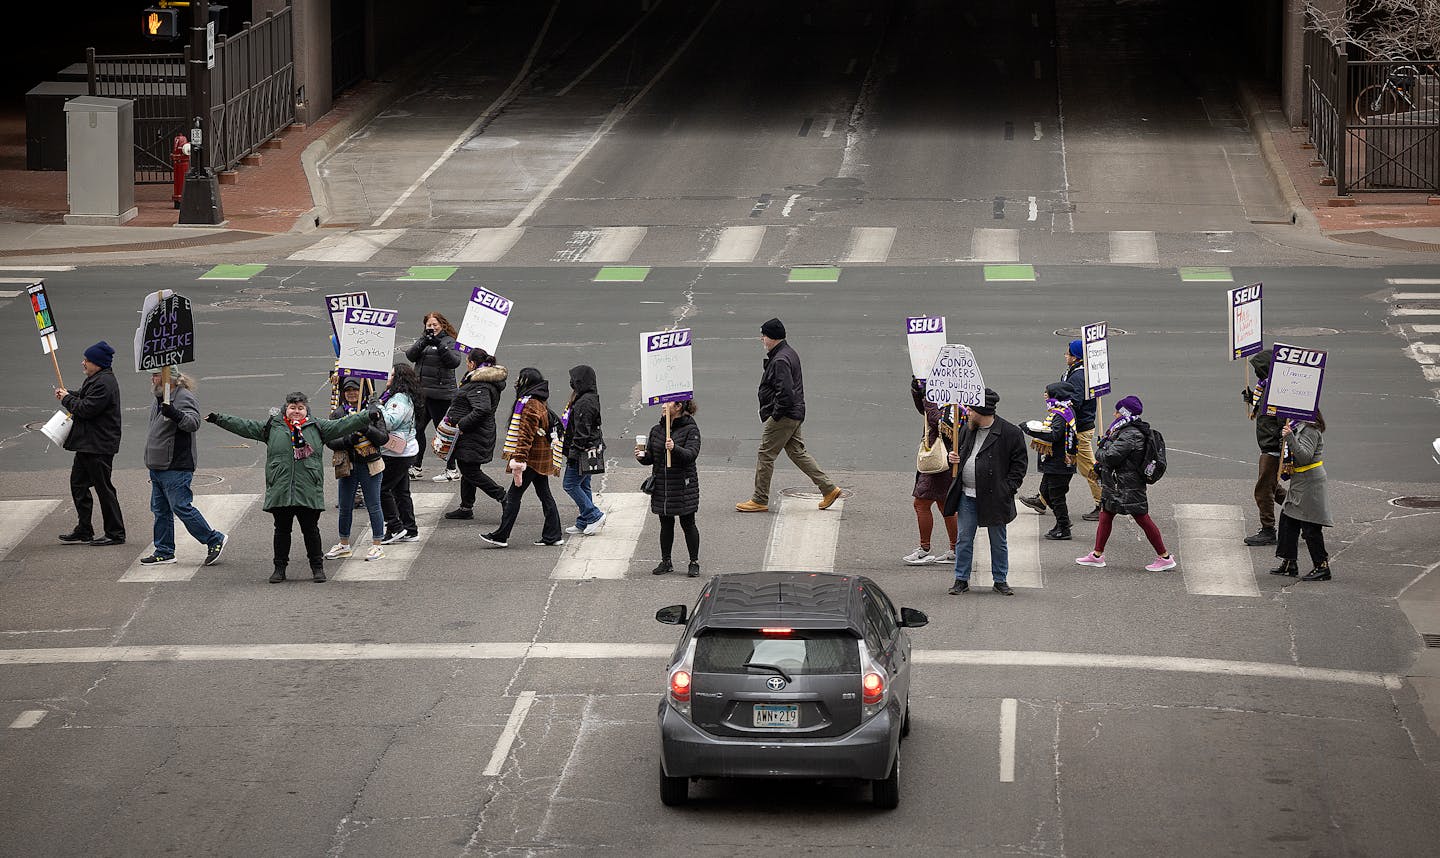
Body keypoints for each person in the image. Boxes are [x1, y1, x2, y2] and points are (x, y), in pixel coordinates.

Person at [208, 391, 376, 582]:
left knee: (311, 531)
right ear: (285, 409)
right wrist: (218, 419)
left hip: (308, 488)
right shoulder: (272, 426)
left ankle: (317, 569)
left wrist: (367, 415)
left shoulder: (318, 426)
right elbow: (244, 426)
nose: (296, 411)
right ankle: (279, 569)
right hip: (281, 488)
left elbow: (344, 424)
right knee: (281, 531)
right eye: (292, 408)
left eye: (300, 408)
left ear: (306, 410)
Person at [736, 318, 843, 513]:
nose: (762, 339)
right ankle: (829, 489)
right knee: (797, 453)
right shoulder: (787, 353)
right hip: (794, 412)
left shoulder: (780, 360)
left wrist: (774, 416)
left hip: (784, 415)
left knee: (765, 454)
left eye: (764, 335)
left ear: (773, 338)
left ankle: (759, 499)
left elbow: (785, 393)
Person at [1075, 395, 1177, 572]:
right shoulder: (1126, 429)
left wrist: (1101, 447)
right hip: (1118, 484)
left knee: (1142, 518)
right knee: (1106, 515)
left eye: (1117, 411)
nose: (1114, 414)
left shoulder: (1130, 433)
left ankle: (1165, 557)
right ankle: (1097, 555)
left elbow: (1110, 456)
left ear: (1124, 413)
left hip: (1127, 485)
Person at [942, 388, 1028, 596]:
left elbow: (1019, 465)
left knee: (998, 540)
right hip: (967, 495)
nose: (968, 413)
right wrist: (951, 460)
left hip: (995, 497)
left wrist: (1007, 489)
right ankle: (961, 579)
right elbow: (960, 454)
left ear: (982, 411)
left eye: (971, 409)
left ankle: (1000, 579)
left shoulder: (1010, 433)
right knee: (964, 539)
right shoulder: (966, 429)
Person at [139, 371, 227, 566]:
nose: (152, 378)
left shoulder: (183, 396)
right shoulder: (160, 396)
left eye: (155, 374)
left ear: (168, 375)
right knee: (160, 510)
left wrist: (174, 413)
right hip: (158, 465)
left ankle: (214, 539)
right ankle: (164, 551)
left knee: (181, 507)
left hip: (175, 465)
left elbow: (193, 423)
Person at [481, 367, 563, 548]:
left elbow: (525, 436)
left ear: (526, 381)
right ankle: (553, 534)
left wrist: (519, 460)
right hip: (539, 456)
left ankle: (501, 536)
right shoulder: (537, 401)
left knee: (513, 496)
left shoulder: (529, 404)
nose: (516, 382)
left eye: (520, 378)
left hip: (530, 459)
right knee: (544, 495)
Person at [56, 341, 126, 546]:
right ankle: (84, 529)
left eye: (87, 360)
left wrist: (67, 399)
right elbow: (85, 395)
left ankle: (115, 533)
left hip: (99, 445)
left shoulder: (104, 383)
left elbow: (86, 408)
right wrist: (69, 393)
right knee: (78, 484)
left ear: (97, 363)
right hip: (88, 444)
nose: (83, 363)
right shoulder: (96, 378)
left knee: (104, 489)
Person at [322, 378, 389, 562]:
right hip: (347, 465)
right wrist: (349, 440)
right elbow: (330, 440)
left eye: (355, 390)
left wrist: (366, 429)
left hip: (369, 464)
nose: (352, 393)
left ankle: (377, 545)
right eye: (348, 390)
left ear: (363, 392)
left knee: (374, 505)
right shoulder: (338, 413)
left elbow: (383, 438)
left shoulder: (373, 412)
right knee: (345, 506)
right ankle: (344, 544)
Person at [442, 348, 509, 520]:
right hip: (476, 433)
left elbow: (482, 409)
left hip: (474, 434)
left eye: (467, 362)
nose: (466, 364)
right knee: (468, 467)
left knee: (469, 470)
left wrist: (462, 424)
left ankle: (503, 496)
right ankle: (466, 507)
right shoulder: (481, 379)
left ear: (473, 364)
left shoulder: (479, 384)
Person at [637, 399, 702, 576]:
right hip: (662, 486)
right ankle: (666, 561)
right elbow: (652, 458)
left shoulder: (691, 430)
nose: (663, 406)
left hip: (682, 486)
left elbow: (691, 455)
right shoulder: (657, 430)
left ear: (679, 407)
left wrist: (674, 448)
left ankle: (694, 562)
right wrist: (642, 456)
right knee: (665, 524)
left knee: (688, 523)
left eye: (667, 404)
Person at [1269, 413, 1333, 581]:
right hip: (1300, 481)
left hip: (1310, 482)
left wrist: (1289, 437)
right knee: (1288, 519)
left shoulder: (1310, 428)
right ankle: (1290, 562)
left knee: (1310, 525)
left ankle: (1322, 566)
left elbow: (1305, 457)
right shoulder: (1298, 424)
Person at [904, 378, 959, 565]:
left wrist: (928, 396)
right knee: (945, 506)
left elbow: (938, 421)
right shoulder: (945, 397)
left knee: (921, 504)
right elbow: (925, 412)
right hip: (938, 459)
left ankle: (925, 548)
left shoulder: (955, 404)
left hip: (941, 461)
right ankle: (955, 548)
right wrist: (917, 391)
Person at [1019, 381, 1080, 541]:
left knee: (1056, 496)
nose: (1044, 395)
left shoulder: (1061, 414)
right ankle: (1062, 522)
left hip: (1060, 463)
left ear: (1056, 395)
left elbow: (1054, 435)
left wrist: (1030, 430)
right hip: (1055, 463)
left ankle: (1064, 527)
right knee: (1046, 492)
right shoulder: (1061, 410)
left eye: (1047, 392)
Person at [405, 312, 462, 481]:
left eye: (435, 325)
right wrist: (423, 342)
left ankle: (452, 469)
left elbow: (454, 362)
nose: (432, 328)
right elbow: (410, 355)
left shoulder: (449, 341)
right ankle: (416, 466)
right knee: (417, 429)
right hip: (423, 394)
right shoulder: (423, 341)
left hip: (441, 395)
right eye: (429, 325)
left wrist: (440, 345)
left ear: (442, 325)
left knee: (443, 432)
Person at [1241, 348, 1287, 545]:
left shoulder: (1274, 393)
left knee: (1263, 489)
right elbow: (1264, 409)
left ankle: (1268, 529)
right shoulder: (1265, 388)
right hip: (1268, 447)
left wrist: (1282, 451)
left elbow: (1280, 421)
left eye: (1259, 370)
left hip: (1272, 449)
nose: (1256, 374)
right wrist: (1252, 398)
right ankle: (1300, 516)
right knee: (1273, 487)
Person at [1059, 339, 1103, 521]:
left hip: (1079, 430)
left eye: (1068, 353)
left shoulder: (1078, 376)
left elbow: (1074, 402)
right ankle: (1042, 499)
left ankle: (1103, 503)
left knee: (1089, 469)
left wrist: (1058, 407)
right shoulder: (1075, 371)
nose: (1065, 356)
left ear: (1075, 357)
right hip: (1075, 428)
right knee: (1059, 465)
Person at [377, 364, 422, 544]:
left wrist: (377, 408)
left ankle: (395, 527)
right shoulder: (399, 396)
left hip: (397, 453)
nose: (388, 377)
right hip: (403, 450)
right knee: (401, 491)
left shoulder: (399, 399)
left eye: (392, 375)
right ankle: (410, 529)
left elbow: (390, 422)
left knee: (382, 489)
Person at [562, 364, 606, 536]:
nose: (571, 382)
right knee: (583, 484)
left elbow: (582, 431)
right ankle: (584, 520)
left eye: (573, 379)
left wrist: (573, 453)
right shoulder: (587, 397)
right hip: (588, 449)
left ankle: (593, 515)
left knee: (570, 484)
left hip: (582, 451)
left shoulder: (585, 402)